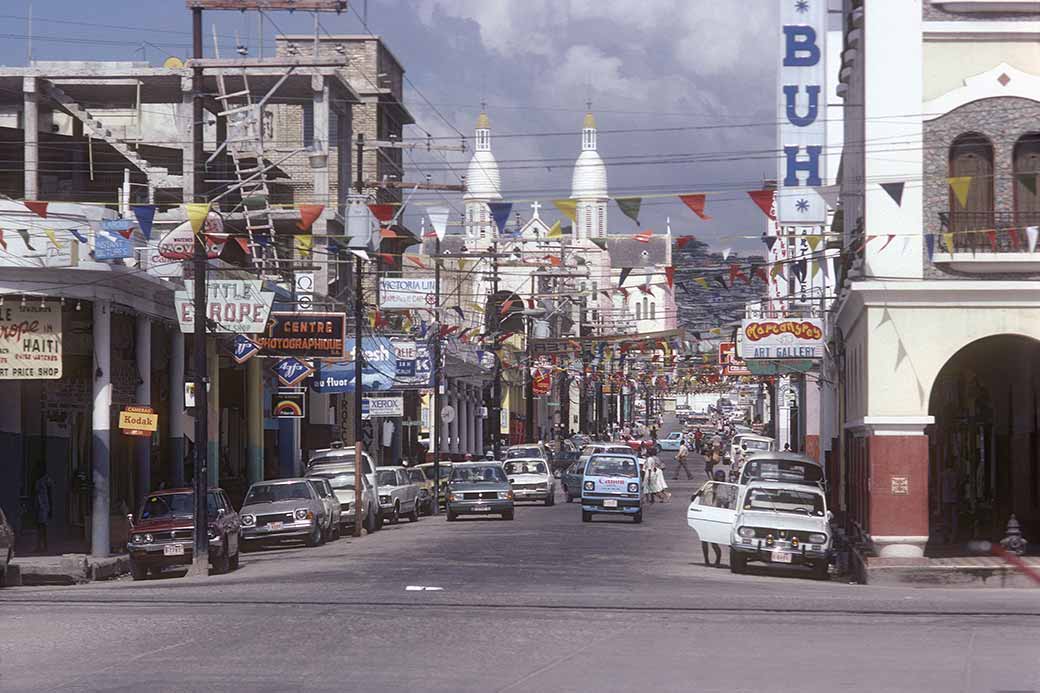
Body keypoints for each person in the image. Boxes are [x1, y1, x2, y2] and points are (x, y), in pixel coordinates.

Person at [33, 468, 54, 553]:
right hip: (39, 505)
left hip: (44, 506)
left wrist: (50, 508)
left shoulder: (46, 480)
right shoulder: (39, 481)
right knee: (39, 527)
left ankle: (44, 546)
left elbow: (49, 494)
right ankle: (39, 546)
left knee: (42, 527)